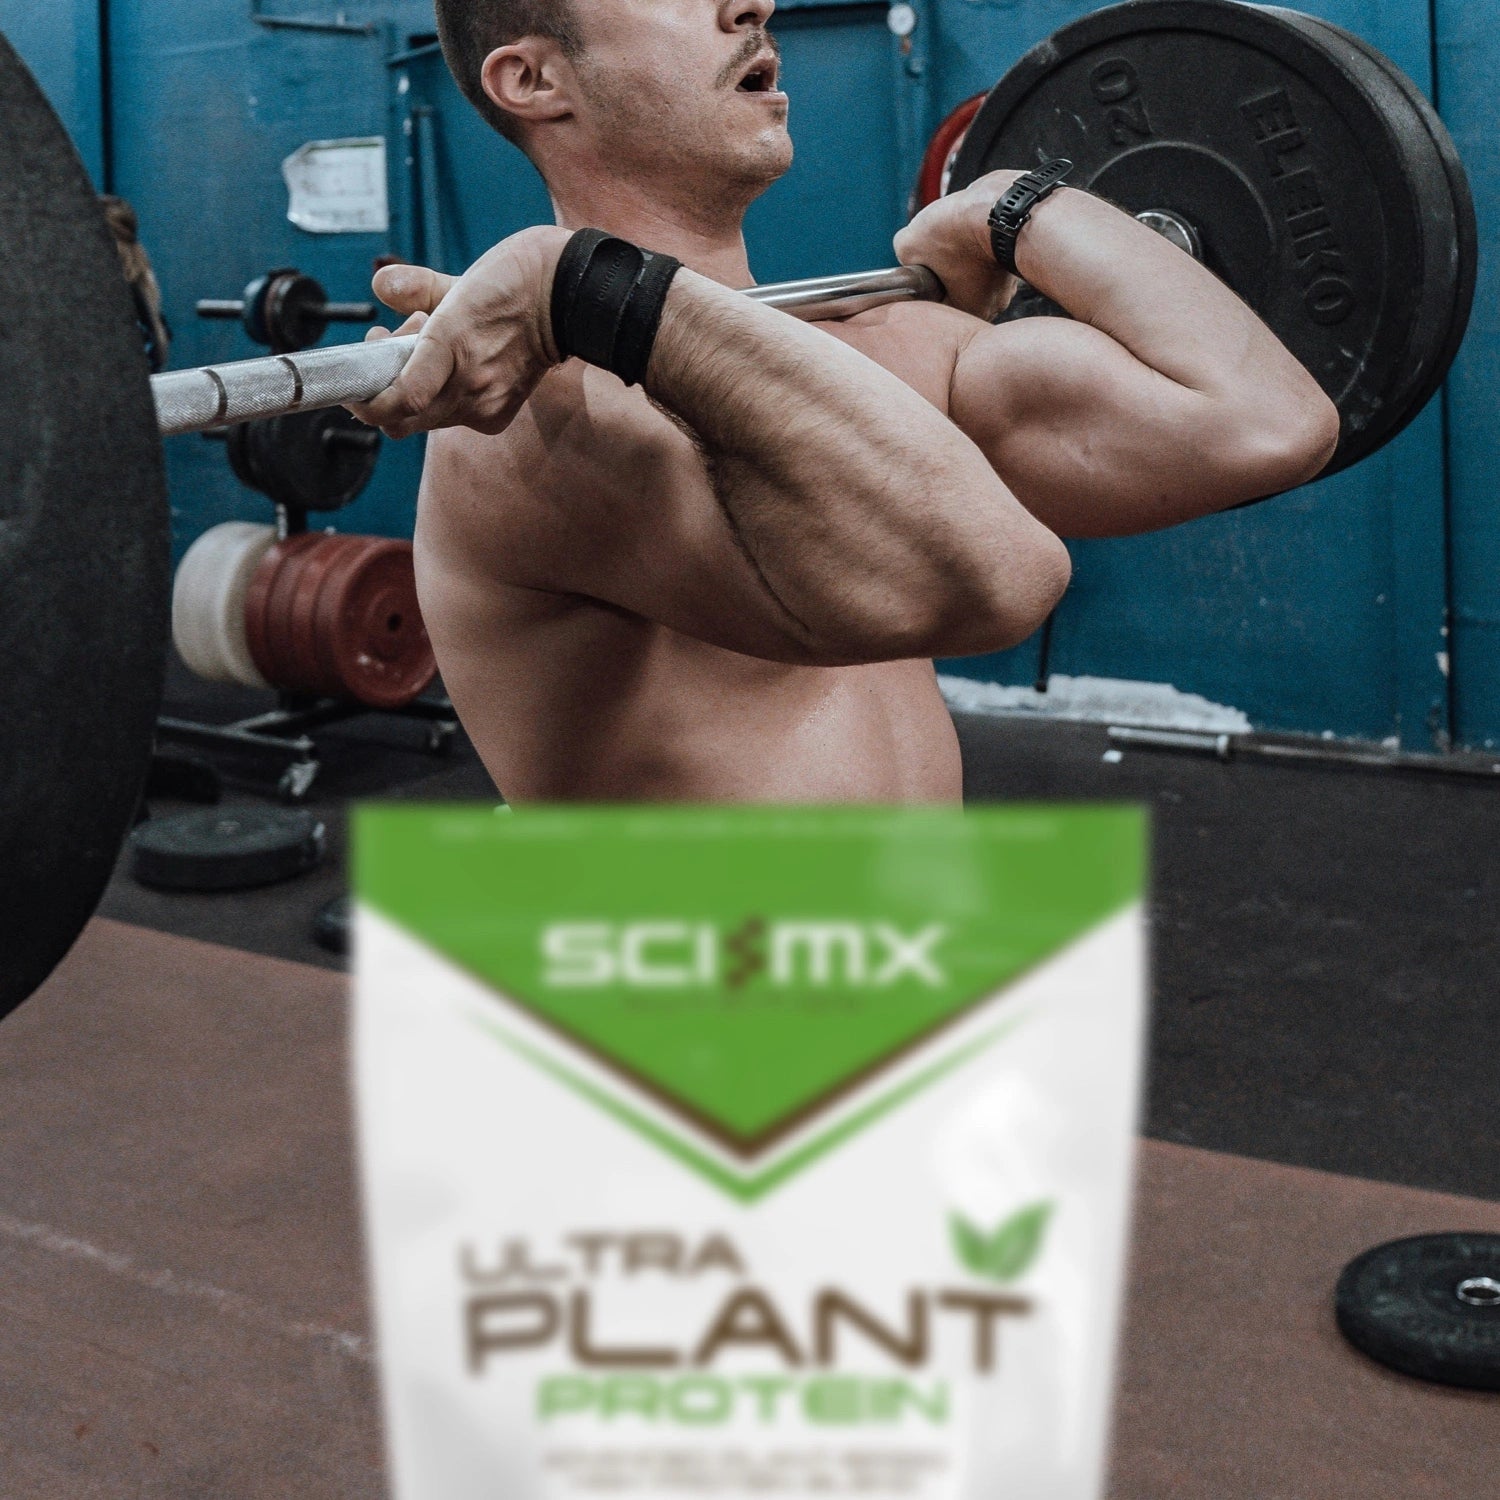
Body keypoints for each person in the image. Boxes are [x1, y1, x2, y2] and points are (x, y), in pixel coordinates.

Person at [350, 0, 1338, 803]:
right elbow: (993, 576)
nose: (753, 6)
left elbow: (1265, 423)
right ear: (532, 79)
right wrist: (580, 283)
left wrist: (1018, 208)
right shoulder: (539, 424)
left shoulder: (876, 348)